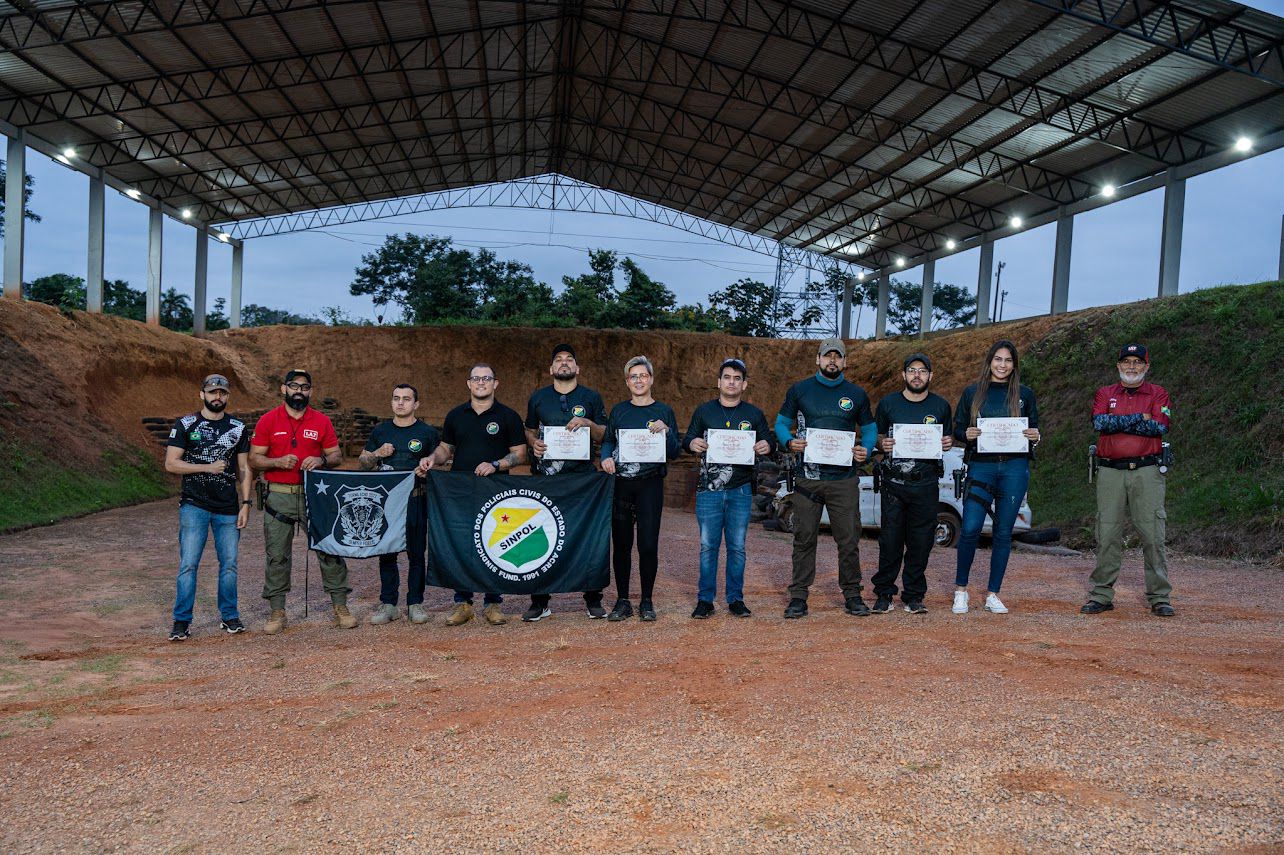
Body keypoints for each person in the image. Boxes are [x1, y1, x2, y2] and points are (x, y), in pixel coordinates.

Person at [417, 363, 526, 627]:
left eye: (486, 378)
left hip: (497, 491)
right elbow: (446, 448)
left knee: (496, 544)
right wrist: (433, 458)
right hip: (461, 491)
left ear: (495, 384)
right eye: (476, 379)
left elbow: (520, 453)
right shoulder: (456, 415)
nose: (481, 383)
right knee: (463, 544)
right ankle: (462, 603)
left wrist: (496, 464)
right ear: (468, 384)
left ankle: (493, 603)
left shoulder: (508, 416)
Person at [775, 338, 876, 619]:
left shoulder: (856, 394)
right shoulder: (800, 390)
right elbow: (782, 423)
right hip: (808, 478)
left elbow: (869, 429)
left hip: (843, 479)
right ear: (818, 359)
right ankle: (798, 597)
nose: (833, 360)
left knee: (848, 539)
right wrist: (788, 441)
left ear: (845, 362)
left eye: (838, 356)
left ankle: (853, 595)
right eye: (827, 355)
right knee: (804, 538)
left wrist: (865, 449)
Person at [248, 369, 355, 633]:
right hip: (279, 495)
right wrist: (276, 461)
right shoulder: (268, 420)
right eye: (294, 386)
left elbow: (336, 456)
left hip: (314, 496)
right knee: (277, 555)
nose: (299, 391)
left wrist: (321, 459)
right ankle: (277, 610)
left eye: (305, 387)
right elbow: (254, 459)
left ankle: (340, 605)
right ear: (284, 389)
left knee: (329, 549)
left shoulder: (321, 421)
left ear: (310, 391)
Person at [1082, 344, 1175, 617]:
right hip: (1110, 471)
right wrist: (1140, 418)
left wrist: (1119, 420)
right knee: (1107, 533)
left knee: (1152, 535)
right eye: (1126, 362)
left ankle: (1159, 597)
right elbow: (1100, 424)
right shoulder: (1105, 393)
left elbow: (1159, 427)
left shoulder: (1159, 393)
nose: (1131, 366)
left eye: (1137, 362)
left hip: (1147, 471)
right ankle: (1101, 595)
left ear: (1147, 366)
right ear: (1118, 366)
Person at [951, 341, 1041, 615]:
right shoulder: (972, 393)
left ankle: (993, 594)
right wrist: (966, 434)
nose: (1002, 365)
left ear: (1014, 365)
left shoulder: (1025, 394)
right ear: (989, 361)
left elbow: (1034, 429)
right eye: (998, 359)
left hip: (1014, 468)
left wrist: (1035, 437)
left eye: (1008, 361)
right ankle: (961, 591)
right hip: (981, 466)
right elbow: (956, 429)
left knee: (1003, 532)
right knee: (970, 528)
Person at [522, 344, 609, 621]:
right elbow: (528, 430)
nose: (564, 363)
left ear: (577, 368)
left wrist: (588, 424)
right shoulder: (538, 398)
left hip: (582, 479)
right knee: (540, 534)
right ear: (551, 369)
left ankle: (593, 598)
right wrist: (533, 443)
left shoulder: (591, 397)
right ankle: (540, 600)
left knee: (588, 536)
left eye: (569, 359)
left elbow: (605, 434)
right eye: (558, 360)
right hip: (545, 480)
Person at [683, 358, 775, 619]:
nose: (731, 382)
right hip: (709, 489)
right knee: (707, 546)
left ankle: (735, 599)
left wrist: (767, 446)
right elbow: (688, 438)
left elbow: (768, 440)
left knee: (737, 547)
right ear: (718, 382)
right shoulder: (704, 411)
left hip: (741, 489)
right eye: (727, 377)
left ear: (744, 384)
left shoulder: (754, 414)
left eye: (737, 378)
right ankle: (705, 600)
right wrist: (693, 444)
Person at [164, 373, 252, 641]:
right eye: (213, 392)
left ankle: (229, 616)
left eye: (222, 393)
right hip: (194, 505)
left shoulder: (237, 428)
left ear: (227, 396)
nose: (218, 397)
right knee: (188, 564)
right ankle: (181, 621)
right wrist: (207, 467)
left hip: (227, 506)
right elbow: (171, 463)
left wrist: (246, 503)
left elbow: (245, 468)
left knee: (229, 565)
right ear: (202, 394)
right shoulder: (186, 424)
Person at [600, 356, 679, 622]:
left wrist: (666, 431)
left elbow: (676, 451)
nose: (638, 380)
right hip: (622, 485)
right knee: (621, 544)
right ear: (627, 382)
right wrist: (605, 458)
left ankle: (647, 600)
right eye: (633, 377)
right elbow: (608, 440)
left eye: (642, 376)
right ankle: (622, 601)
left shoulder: (664, 411)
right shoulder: (619, 410)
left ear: (651, 379)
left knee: (647, 545)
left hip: (650, 485)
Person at [872, 353, 952, 615]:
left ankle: (914, 595)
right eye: (911, 370)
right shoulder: (888, 404)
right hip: (894, 483)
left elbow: (947, 438)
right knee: (890, 541)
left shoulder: (941, 406)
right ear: (903, 375)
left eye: (922, 371)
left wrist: (948, 443)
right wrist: (881, 444)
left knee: (920, 542)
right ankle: (884, 594)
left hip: (926, 483)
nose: (917, 375)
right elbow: (877, 436)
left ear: (931, 375)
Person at [359, 383, 440, 626]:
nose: (401, 402)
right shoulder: (381, 431)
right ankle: (388, 604)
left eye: (406, 398)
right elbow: (363, 461)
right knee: (387, 553)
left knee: (416, 554)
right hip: (387, 504)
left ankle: (415, 603)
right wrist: (377, 454)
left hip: (416, 499)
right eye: (396, 398)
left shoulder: (427, 432)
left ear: (416, 404)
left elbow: (440, 460)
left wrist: (428, 466)